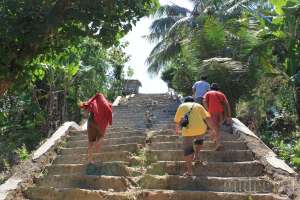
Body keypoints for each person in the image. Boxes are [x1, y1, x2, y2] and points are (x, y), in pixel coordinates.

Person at [174, 96, 216, 176]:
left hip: (187, 130)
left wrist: (177, 130)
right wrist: (212, 129)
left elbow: (177, 121)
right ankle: (196, 156)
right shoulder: (198, 105)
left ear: (185, 101)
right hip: (200, 129)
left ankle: (189, 171)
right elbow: (207, 118)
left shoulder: (181, 106)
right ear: (193, 101)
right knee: (199, 141)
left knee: (188, 150)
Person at [80, 93, 112, 164]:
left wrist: (86, 111)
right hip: (100, 124)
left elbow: (86, 111)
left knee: (90, 142)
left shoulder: (93, 100)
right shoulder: (106, 104)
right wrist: (109, 122)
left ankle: (90, 160)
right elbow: (109, 113)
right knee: (101, 136)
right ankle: (98, 143)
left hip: (91, 121)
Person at [203, 83, 232, 151]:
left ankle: (218, 144)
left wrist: (207, 110)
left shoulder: (208, 93)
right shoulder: (221, 94)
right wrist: (229, 115)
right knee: (217, 127)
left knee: (214, 128)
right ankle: (216, 140)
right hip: (221, 113)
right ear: (218, 88)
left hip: (212, 112)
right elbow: (227, 104)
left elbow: (204, 101)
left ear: (210, 88)